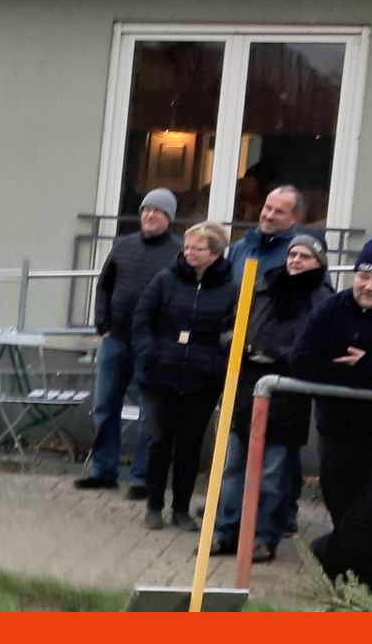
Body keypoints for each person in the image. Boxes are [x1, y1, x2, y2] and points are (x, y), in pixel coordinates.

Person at [291, 233, 372, 590]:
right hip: (340, 433)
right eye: (363, 276)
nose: (368, 286)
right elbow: (302, 361)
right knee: (347, 514)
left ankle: (325, 553)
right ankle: (362, 594)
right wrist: (368, 379)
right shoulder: (332, 310)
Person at [210, 233, 329, 562]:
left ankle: (263, 537)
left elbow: (319, 349)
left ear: (319, 262)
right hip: (246, 388)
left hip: (288, 395)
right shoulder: (261, 286)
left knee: (272, 474)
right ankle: (225, 531)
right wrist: (235, 344)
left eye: (304, 256)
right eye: (292, 255)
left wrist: (277, 354)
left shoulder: (322, 299)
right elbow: (230, 324)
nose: (295, 261)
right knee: (233, 466)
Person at [132, 220, 240, 531]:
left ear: (215, 254)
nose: (190, 252)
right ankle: (154, 505)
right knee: (158, 440)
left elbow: (232, 331)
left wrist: (216, 364)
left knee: (190, 444)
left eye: (198, 248)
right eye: (187, 247)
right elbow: (143, 319)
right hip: (161, 374)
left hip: (202, 380)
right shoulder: (165, 280)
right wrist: (149, 353)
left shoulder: (230, 289)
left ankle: (181, 508)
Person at [75, 188, 176, 492]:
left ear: (169, 218)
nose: (149, 215)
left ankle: (142, 477)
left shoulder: (178, 252)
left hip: (152, 346)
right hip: (115, 339)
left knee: (150, 414)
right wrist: (102, 324)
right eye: (146, 210)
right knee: (105, 407)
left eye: (157, 211)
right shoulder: (123, 245)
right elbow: (104, 285)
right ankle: (103, 471)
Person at [228, 185, 304, 280]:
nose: (269, 216)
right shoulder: (238, 249)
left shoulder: (300, 255)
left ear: (295, 218)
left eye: (279, 212)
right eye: (268, 208)